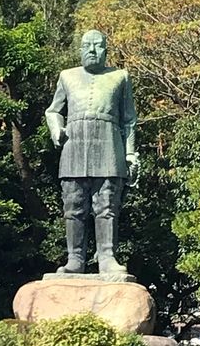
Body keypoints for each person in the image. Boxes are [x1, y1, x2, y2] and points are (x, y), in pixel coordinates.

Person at [45, 29, 139, 276]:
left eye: (98, 46)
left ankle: (107, 256)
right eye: (87, 45)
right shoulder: (67, 76)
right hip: (74, 144)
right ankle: (74, 258)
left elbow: (129, 119)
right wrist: (56, 129)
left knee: (107, 203)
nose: (92, 50)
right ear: (79, 49)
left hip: (108, 144)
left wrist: (130, 154)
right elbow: (53, 110)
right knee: (73, 204)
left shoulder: (120, 77)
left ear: (106, 51)